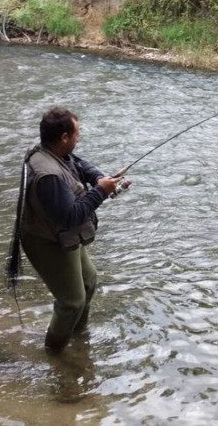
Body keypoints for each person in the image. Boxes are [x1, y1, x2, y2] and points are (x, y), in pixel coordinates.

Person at [20, 107, 128, 351]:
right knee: (72, 301)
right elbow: (71, 216)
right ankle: (55, 353)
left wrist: (102, 179)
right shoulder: (48, 176)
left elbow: (78, 164)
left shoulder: (53, 151)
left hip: (61, 235)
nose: (79, 138)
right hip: (46, 241)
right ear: (64, 138)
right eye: (77, 134)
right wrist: (102, 191)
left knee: (89, 282)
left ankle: (78, 340)